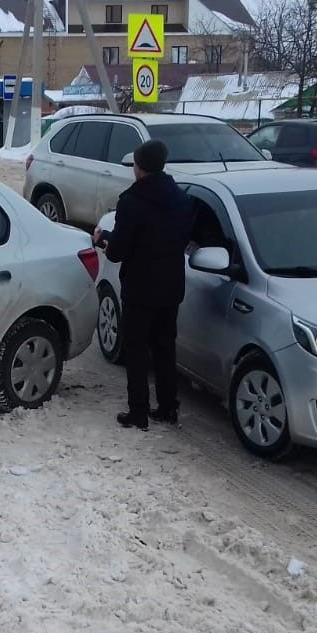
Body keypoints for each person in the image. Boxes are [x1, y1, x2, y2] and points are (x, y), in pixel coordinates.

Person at [96, 139, 193, 432]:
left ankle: (138, 412)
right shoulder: (181, 199)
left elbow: (118, 252)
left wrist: (103, 238)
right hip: (171, 286)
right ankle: (167, 407)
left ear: (139, 168)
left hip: (140, 289)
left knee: (137, 350)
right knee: (165, 348)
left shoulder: (132, 202)